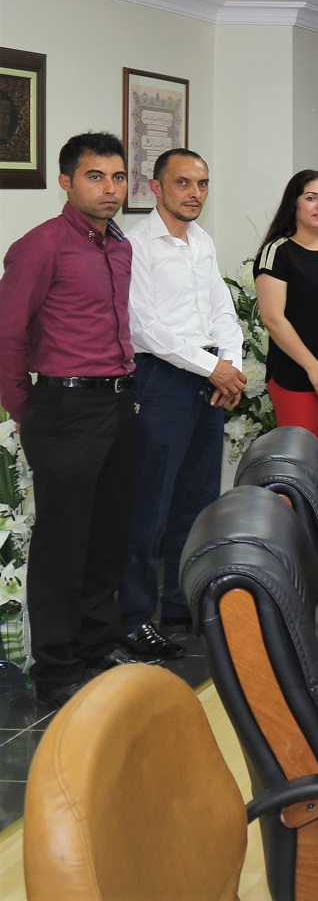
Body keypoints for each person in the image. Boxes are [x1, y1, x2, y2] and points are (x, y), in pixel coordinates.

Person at [0, 133, 141, 707]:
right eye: (94, 176)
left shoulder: (119, 246)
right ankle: (56, 669)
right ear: (65, 181)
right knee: (63, 543)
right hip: (64, 409)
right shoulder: (40, 247)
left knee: (108, 536)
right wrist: (27, 410)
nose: (109, 188)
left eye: (117, 177)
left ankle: (96, 645)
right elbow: (7, 335)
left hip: (119, 404)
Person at [120, 148, 245, 658]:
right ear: (156, 187)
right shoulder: (135, 245)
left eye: (203, 184)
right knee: (150, 505)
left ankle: (181, 604)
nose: (195, 194)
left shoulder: (202, 241)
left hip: (207, 378)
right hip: (162, 381)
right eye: (183, 183)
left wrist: (230, 365)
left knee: (197, 503)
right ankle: (133, 619)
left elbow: (222, 310)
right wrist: (211, 367)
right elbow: (144, 327)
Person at [255, 169, 318, 463]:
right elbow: (273, 318)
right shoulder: (278, 252)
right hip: (296, 374)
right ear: (294, 203)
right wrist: (313, 368)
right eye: (311, 198)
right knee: (299, 462)